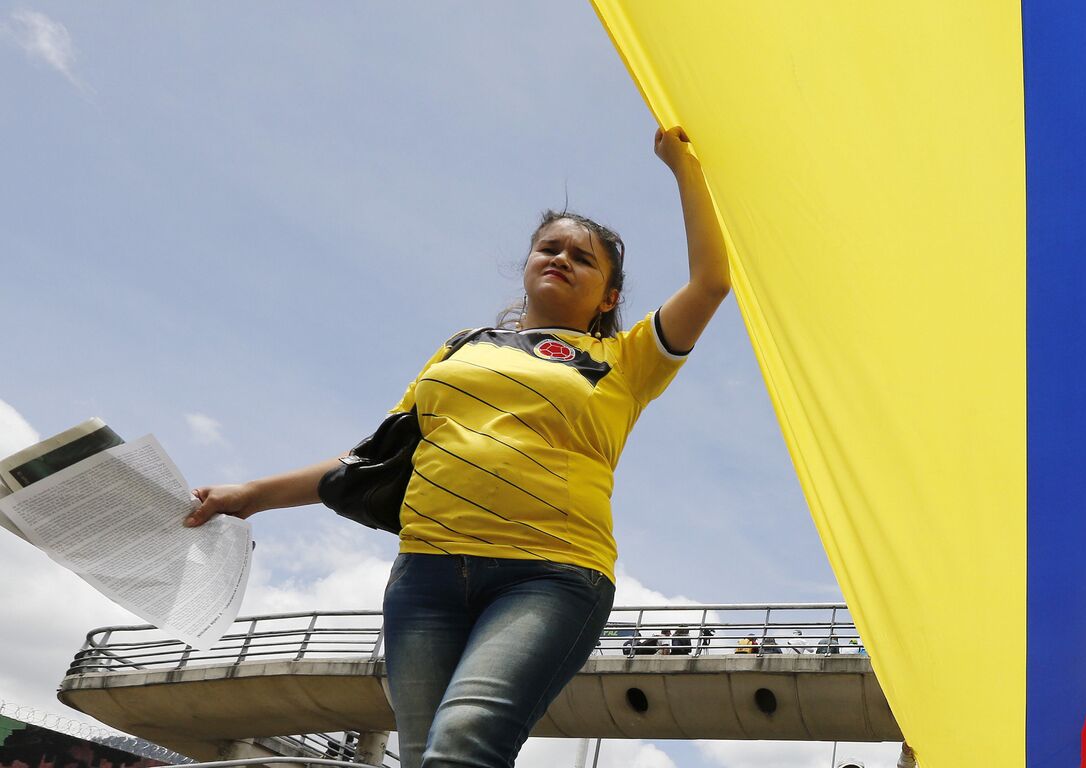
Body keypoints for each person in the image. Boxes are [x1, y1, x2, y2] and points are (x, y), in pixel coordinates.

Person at [183, 125, 731, 768]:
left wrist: (683, 168)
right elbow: (374, 459)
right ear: (525, 265)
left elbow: (712, 281)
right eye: (547, 249)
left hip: (551, 574)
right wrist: (249, 496)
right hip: (426, 574)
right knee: (422, 760)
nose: (560, 259)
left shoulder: (628, 359)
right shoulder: (461, 349)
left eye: (583, 259)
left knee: (465, 744)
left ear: (610, 295)